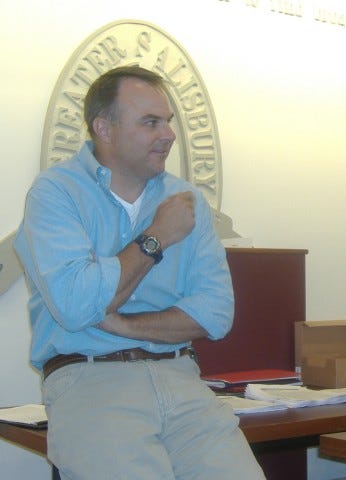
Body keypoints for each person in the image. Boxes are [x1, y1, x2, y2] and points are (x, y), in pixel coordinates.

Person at [14, 66, 265, 479]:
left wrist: (119, 322)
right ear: (104, 128)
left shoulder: (187, 201)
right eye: (150, 122)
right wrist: (156, 237)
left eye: (167, 121)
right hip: (90, 379)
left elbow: (214, 315)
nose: (167, 134)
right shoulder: (55, 193)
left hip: (181, 376)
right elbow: (77, 307)